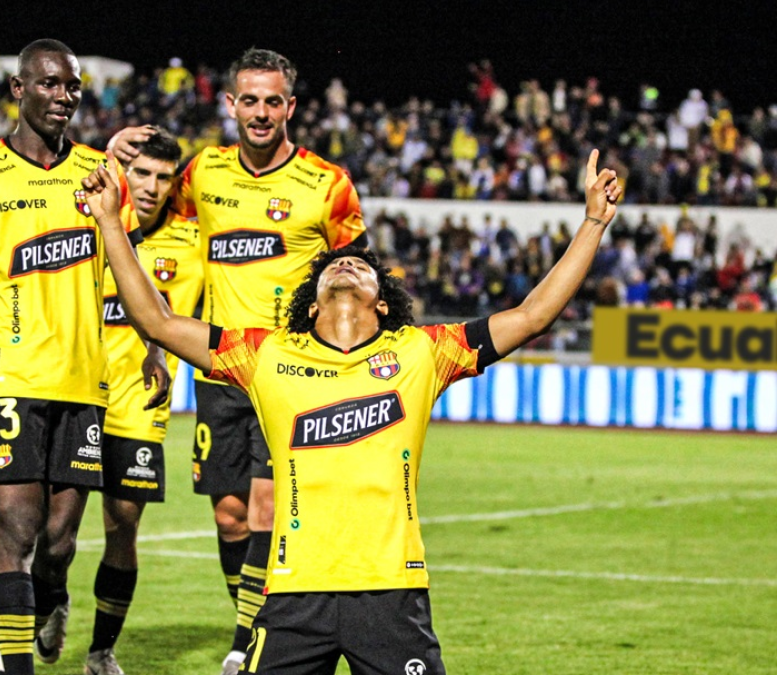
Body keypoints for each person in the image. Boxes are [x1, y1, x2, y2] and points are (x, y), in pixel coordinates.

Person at [81, 150, 621, 674]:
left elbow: (531, 316)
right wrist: (110, 221)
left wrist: (594, 221)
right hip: (293, 594)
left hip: (392, 593)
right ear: (312, 303)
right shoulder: (266, 353)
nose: (347, 261)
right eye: (335, 264)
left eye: (362, 266)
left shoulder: (422, 352)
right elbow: (157, 320)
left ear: (382, 302)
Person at [0, 39, 167, 675]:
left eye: (71, 86)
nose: (62, 97)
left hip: (84, 386)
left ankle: (51, 603)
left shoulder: (102, 176)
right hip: (11, 379)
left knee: (59, 541)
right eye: (48, 84)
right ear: (19, 90)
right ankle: (13, 662)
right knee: (15, 528)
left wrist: (153, 343)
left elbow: (127, 270)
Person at [113, 48, 366, 674]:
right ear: (231, 105)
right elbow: (143, 213)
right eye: (248, 100)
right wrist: (112, 149)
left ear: (291, 107)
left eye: (272, 100)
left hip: (290, 371)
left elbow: (360, 277)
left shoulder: (327, 184)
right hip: (219, 367)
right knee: (229, 518)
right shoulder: (203, 174)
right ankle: (252, 622)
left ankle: (247, 642)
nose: (260, 112)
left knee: (264, 508)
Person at [83, 129, 202, 675]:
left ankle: (101, 650)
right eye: (142, 173)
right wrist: (107, 150)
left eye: (163, 177)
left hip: (141, 403)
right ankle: (38, 615)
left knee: (122, 524)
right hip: (76, 393)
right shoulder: (89, 223)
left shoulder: (194, 241)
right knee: (51, 530)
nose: (151, 187)